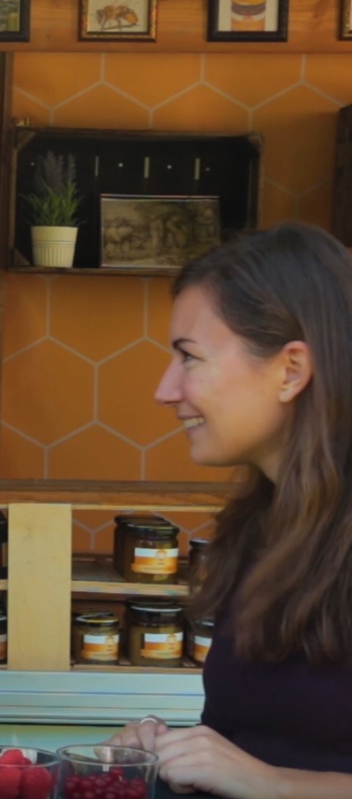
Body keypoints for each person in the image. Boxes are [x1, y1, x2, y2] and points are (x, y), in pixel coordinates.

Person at [110, 221, 352, 798]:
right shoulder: (263, 527)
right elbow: (260, 740)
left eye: (189, 358)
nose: (165, 390)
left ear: (290, 370)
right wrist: (175, 752)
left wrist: (272, 783)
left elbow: (269, 773)